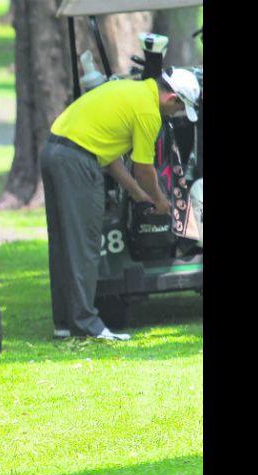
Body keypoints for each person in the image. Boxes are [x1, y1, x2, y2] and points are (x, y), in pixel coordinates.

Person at [40, 67, 201, 341]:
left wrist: (139, 195)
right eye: (177, 109)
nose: (174, 115)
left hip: (53, 152)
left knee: (63, 244)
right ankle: (86, 324)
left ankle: (65, 323)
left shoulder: (130, 90)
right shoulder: (149, 112)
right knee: (85, 247)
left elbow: (112, 157)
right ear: (171, 97)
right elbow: (144, 168)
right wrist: (162, 202)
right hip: (78, 162)